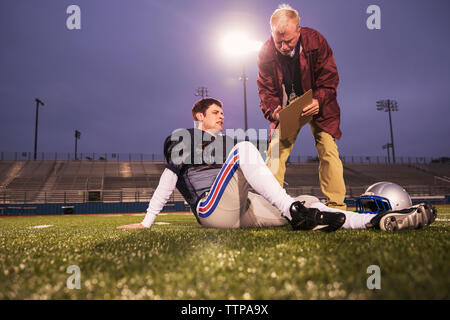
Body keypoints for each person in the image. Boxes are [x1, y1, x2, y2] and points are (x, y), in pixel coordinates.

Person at [117, 98, 437, 232]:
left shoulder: (227, 143)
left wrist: (292, 117)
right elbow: (168, 178)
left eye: (222, 112)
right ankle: (293, 211)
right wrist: (147, 222)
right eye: (216, 112)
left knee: (309, 202)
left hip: (244, 208)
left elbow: (259, 169)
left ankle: (372, 222)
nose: (222, 116)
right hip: (211, 209)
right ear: (198, 116)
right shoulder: (181, 138)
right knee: (245, 148)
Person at [257, 4, 347, 210]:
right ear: (271, 33)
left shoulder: (316, 41)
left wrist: (318, 101)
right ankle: (271, 205)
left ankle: (337, 205)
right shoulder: (265, 52)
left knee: (327, 147)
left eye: (288, 40)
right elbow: (265, 90)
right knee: (276, 150)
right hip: (287, 106)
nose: (284, 46)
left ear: (299, 30)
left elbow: (330, 78)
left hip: (318, 102)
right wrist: (274, 110)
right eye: (278, 41)